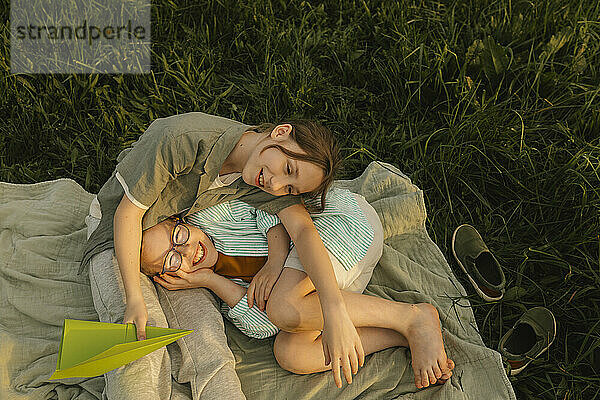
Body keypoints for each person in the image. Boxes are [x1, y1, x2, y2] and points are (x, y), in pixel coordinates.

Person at [80, 112, 365, 394]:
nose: (277, 185)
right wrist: (134, 298)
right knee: (134, 339)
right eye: (288, 169)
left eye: (290, 187)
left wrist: (334, 309)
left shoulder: (261, 178)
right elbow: (127, 215)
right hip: (116, 232)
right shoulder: (183, 140)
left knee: (209, 346)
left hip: (176, 255)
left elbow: (303, 232)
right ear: (281, 132)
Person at [141, 189, 455, 389]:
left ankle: (414, 317)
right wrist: (209, 280)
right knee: (290, 352)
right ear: (167, 278)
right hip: (339, 278)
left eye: (179, 236)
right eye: (170, 260)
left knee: (286, 304)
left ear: (183, 220)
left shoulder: (214, 215)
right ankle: (402, 335)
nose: (185, 252)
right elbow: (265, 325)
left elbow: (268, 210)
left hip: (337, 228)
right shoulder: (224, 292)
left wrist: (275, 262)